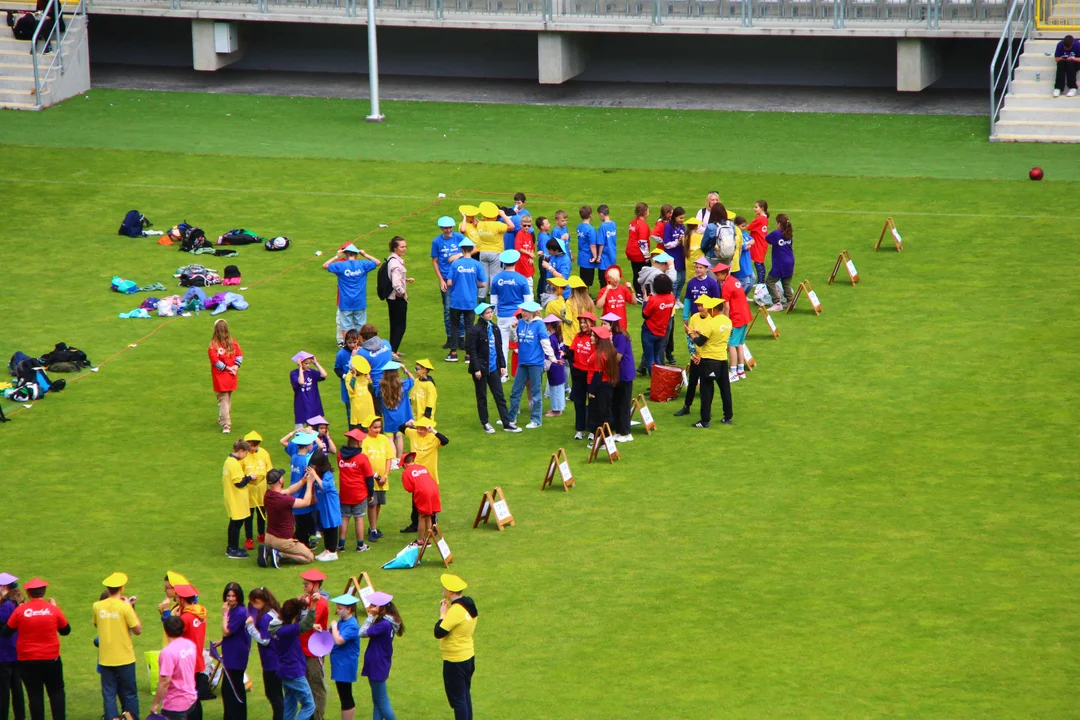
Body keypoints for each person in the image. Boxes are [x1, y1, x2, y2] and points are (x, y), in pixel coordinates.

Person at [2, 579, 68, 720]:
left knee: (35, 695)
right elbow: (65, 630)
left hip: (27, 660)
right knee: (56, 692)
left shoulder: (20, 610)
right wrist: (56, 608)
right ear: (44, 592)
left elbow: (6, 633)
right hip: (51, 659)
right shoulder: (52, 609)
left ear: (28, 592)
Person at [93, 572, 141, 720]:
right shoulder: (125, 607)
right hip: (125, 657)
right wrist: (130, 608)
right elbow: (138, 630)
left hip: (106, 657)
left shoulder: (97, 606)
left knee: (109, 694)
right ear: (122, 587)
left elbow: (96, 624)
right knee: (129, 693)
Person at [465, 304, 517, 434]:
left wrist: (502, 365)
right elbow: (472, 351)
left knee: (499, 395)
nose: (490, 314)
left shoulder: (494, 328)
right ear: (482, 315)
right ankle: (485, 422)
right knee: (482, 396)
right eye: (487, 313)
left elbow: (499, 348)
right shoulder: (475, 330)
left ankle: (506, 422)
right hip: (481, 369)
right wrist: (477, 369)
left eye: (491, 312)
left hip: (493, 368)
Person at [434, 574, 478, 720]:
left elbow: (439, 632)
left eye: (445, 587)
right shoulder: (468, 604)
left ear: (450, 591)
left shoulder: (456, 611)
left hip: (455, 660)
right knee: (465, 695)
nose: (443, 589)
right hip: (468, 656)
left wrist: (442, 615)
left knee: (458, 700)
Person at [507, 301, 555, 429]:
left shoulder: (539, 325)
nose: (523, 313)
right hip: (522, 362)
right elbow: (514, 340)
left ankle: (536, 420)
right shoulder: (521, 323)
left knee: (536, 393)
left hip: (535, 363)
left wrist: (552, 357)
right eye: (523, 311)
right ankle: (511, 418)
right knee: (515, 391)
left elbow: (545, 342)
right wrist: (512, 329)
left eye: (526, 311)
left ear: (533, 312)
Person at [686, 296, 733, 428]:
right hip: (723, 359)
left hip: (709, 360)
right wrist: (701, 333)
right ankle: (728, 416)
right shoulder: (727, 321)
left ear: (713, 309)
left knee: (706, 391)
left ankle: (705, 420)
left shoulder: (710, 323)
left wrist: (691, 334)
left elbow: (700, 342)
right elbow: (716, 335)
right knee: (725, 389)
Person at [323, 243, 381, 343]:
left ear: (345, 254)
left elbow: (325, 265)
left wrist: (337, 256)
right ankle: (362, 347)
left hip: (345, 302)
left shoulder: (341, 265)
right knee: (361, 328)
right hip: (360, 302)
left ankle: (348, 348)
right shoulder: (363, 264)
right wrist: (365, 254)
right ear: (356, 254)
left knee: (346, 328)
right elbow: (377, 262)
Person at [399, 418, 449, 534]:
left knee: (431, 505)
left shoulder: (434, 438)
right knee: (415, 502)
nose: (419, 431)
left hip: (430, 476)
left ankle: (433, 527)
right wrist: (407, 423)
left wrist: (434, 431)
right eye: (418, 428)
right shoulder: (413, 433)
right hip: (416, 476)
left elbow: (445, 441)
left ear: (428, 429)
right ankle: (415, 524)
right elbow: (401, 429)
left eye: (422, 429)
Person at [269, 598, 315, 720]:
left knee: (290, 705)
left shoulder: (277, 627)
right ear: (294, 616)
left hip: (283, 671)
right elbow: (306, 624)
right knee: (309, 705)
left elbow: (301, 624)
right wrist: (313, 604)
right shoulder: (287, 630)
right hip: (294, 671)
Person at [359, 592, 402, 720]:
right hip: (381, 662)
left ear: (380, 607)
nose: (370, 606)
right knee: (377, 701)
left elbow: (362, 633)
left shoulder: (383, 624)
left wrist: (370, 616)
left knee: (382, 701)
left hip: (376, 663)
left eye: (373, 605)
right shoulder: (387, 621)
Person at [444, 239, 487, 363]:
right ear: (472, 249)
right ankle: (469, 355)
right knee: (469, 328)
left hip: (456, 301)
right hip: (470, 301)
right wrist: (474, 285)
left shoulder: (455, 264)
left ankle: (453, 353)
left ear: (462, 249)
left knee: (454, 326)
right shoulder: (477, 264)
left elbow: (449, 282)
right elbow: (483, 284)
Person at [263, 467, 317, 565]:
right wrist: (309, 484)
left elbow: (288, 491)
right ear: (280, 480)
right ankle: (279, 554)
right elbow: (306, 502)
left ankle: (269, 550)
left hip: (269, 537)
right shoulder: (283, 500)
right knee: (309, 557)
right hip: (283, 541)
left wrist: (304, 480)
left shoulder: (268, 494)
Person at [245, 587, 284, 720]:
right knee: (277, 693)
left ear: (257, 601)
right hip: (277, 658)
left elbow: (265, 639)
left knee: (273, 694)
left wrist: (250, 627)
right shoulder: (273, 612)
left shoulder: (265, 618)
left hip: (271, 662)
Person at [489, 249, 533, 368]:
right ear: (516, 261)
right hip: (518, 317)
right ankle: (524, 372)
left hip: (502, 316)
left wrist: (497, 313)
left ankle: (503, 373)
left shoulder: (497, 278)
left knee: (502, 345)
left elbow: (493, 300)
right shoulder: (522, 279)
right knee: (522, 344)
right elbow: (528, 301)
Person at [171, 583, 209, 720]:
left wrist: (170, 616)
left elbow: (174, 634)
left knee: (188, 698)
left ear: (182, 600)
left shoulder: (185, 618)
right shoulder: (201, 612)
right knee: (195, 696)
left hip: (186, 663)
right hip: (198, 660)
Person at [151, 615, 197, 720]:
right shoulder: (190, 645)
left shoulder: (168, 652)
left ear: (165, 631)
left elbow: (164, 682)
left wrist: (155, 704)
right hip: (191, 697)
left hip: (175, 703)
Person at [430, 216, 465, 350]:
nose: (448, 230)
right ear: (441, 229)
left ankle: (461, 338)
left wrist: (459, 255)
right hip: (445, 279)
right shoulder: (436, 241)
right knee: (447, 310)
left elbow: (473, 248)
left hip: (459, 278)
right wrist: (440, 280)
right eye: (446, 228)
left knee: (461, 308)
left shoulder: (459, 238)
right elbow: (435, 261)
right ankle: (450, 337)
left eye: (450, 227)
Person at [298, 570, 330, 720]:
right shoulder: (307, 600)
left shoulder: (320, 603)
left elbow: (308, 623)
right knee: (306, 686)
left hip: (314, 651)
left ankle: (317, 717)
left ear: (316, 585)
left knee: (316, 686)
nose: (304, 586)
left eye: (307, 584)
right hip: (303, 648)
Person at [337, 428, 373, 553]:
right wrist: (371, 493)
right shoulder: (362, 458)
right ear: (357, 443)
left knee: (344, 517)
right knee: (359, 518)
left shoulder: (340, 455)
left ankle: (340, 545)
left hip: (345, 493)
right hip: (359, 493)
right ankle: (360, 545)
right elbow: (369, 477)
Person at [714, 262, 752, 383]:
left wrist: (726, 321)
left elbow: (726, 305)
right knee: (740, 344)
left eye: (717, 275)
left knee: (731, 345)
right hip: (745, 316)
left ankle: (733, 371)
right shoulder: (734, 280)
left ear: (724, 274)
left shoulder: (726, 285)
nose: (716, 277)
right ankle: (741, 370)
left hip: (736, 318)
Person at [281, 430, 319, 548]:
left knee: (300, 521)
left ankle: (301, 539)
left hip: (294, 493)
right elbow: (309, 479)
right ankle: (302, 544)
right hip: (303, 493)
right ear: (308, 446)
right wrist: (312, 494)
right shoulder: (307, 461)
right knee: (306, 520)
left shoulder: (294, 457)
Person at [360, 416, 396, 542]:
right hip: (370, 479)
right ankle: (373, 530)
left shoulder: (384, 439)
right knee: (372, 504)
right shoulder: (364, 441)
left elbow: (389, 458)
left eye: (379, 427)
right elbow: (364, 462)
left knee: (378, 503)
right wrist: (375, 476)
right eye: (375, 427)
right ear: (368, 427)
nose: (377, 430)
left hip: (382, 480)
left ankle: (372, 526)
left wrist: (385, 475)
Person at [602, 314, 636, 442]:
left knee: (623, 404)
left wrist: (609, 345)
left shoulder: (620, 337)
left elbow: (618, 357)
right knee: (616, 403)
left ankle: (626, 432)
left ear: (611, 325)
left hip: (624, 375)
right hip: (617, 375)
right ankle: (619, 430)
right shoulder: (614, 336)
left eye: (605, 324)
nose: (603, 326)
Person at [219, 582, 249, 720]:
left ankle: (234, 716)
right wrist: (221, 642)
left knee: (231, 689)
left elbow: (227, 631)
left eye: (233, 596)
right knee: (232, 688)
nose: (230, 599)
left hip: (236, 656)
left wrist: (224, 614)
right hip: (232, 652)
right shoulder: (234, 609)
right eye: (228, 595)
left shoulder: (240, 612)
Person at [328, 594, 362, 720]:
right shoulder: (342, 622)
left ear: (349, 609)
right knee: (344, 695)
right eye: (337, 608)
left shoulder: (352, 625)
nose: (337, 610)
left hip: (345, 665)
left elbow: (339, 641)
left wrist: (333, 627)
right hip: (340, 664)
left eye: (340, 608)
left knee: (345, 696)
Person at [565, 311, 597, 440]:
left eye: (585, 322)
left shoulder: (595, 337)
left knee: (593, 402)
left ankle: (592, 430)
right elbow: (571, 351)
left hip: (591, 373)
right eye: (581, 322)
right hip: (578, 373)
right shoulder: (578, 336)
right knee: (579, 401)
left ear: (592, 323)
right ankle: (580, 429)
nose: (583, 325)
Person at [208, 319, 243, 434]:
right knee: (227, 398)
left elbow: (215, 361)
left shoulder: (213, 345)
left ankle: (226, 424)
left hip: (220, 377)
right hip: (232, 375)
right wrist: (235, 368)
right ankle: (223, 418)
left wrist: (228, 368)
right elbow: (239, 356)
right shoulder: (233, 342)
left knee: (223, 399)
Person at [474, 202, 515, 297]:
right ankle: (494, 297)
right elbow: (511, 226)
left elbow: (476, 222)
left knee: (484, 277)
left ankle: (481, 298)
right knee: (495, 276)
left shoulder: (480, 224)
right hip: (496, 253)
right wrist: (503, 215)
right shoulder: (497, 225)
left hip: (483, 252)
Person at [223, 439, 254, 560]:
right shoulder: (234, 464)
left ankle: (231, 547)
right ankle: (233, 550)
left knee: (233, 523)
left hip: (231, 496)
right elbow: (239, 483)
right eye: (246, 453)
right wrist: (249, 477)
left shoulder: (228, 461)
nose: (246, 456)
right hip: (236, 498)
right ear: (241, 451)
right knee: (237, 524)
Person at [639, 273, 676, 375]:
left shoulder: (653, 300)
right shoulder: (672, 298)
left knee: (650, 359)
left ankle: (655, 383)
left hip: (649, 331)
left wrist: (646, 301)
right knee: (657, 357)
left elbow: (645, 314)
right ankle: (660, 382)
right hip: (662, 331)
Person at [400, 455, 441, 545]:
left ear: (405, 464)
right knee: (429, 515)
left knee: (422, 516)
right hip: (434, 489)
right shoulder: (422, 467)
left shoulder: (407, 472)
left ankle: (420, 540)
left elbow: (409, 489)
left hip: (423, 492)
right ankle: (427, 539)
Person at [242, 431, 273, 550]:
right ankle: (249, 538)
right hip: (248, 491)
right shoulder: (243, 456)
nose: (253, 448)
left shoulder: (264, 453)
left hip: (262, 490)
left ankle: (261, 534)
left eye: (255, 445)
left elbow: (269, 470)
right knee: (248, 516)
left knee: (262, 514)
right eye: (250, 445)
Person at [309, 452, 342, 563]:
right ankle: (327, 549)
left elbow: (325, 487)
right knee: (326, 525)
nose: (313, 467)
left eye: (315, 465)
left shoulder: (328, 474)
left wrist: (315, 476)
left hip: (330, 503)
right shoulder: (319, 473)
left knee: (332, 525)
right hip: (323, 504)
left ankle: (332, 551)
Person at [0, 573, 25, 720]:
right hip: (16, 651)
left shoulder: (7, 605)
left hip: (4, 653)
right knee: (17, 688)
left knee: (3, 690)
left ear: (4, 587)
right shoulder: (17, 601)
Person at [586, 326, 619, 435]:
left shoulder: (599, 355)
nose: (590, 337)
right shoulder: (609, 351)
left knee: (600, 414)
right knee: (605, 412)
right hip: (607, 385)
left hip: (600, 387)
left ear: (598, 339)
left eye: (593, 336)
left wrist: (591, 391)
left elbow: (597, 375)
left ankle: (603, 440)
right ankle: (606, 438)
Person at [378, 362, 413, 460]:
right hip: (401, 416)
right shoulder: (403, 385)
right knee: (399, 436)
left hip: (389, 416)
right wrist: (405, 369)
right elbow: (412, 380)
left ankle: (392, 460)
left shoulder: (381, 386)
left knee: (389, 438)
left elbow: (376, 391)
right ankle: (398, 458)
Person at [385, 236, 412, 360]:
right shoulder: (396, 263)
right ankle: (393, 351)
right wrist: (403, 294)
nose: (404, 249)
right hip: (397, 298)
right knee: (400, 325)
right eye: (402, 247)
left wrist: (405, 279)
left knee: (395, 324)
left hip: (392, 298)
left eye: (405, 246)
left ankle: (392, 349)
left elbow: (395, 278)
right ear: (395, 248)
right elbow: (396, 283)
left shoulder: (392, 260)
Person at [355, 325, 393, 408]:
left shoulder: (362, 353)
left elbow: (356, 370)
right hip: (392, 383)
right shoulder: (386, 343)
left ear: (362, 337)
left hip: (376, 387)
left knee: (377, 417)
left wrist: (353, 356)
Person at [765, 214, 796, 311]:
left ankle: (777, 303)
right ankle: (790, 301)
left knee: (770, 281)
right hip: (790, 261)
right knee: (786, 283)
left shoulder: (776, 233)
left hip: (780, 262)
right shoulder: (789, 233)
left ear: (778, 223)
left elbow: (767, 239)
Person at [290, 352, 328, 430]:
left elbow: (324, 375)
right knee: (300, 426)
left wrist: (316, 363)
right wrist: (300, 369)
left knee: (316, 425)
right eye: (305, 363)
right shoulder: (294, 373)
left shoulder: (311, 372)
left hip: (313, 402)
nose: (308, 365)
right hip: (301, 403)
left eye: (309, 363)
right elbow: (301, 382)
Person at [542, 314, 567, 418]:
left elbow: (548, 352)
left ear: (549, 325)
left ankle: (556, 410)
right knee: (559, 387)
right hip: (560, 363)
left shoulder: (551, 338)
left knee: (555, 387)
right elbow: (563, 349)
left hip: (554, 364)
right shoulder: (559, 336)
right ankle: (558, 408)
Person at [334, 330, 360, 426]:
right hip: (348, 388)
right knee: (350, 414)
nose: (352, 345)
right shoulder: (341, 354)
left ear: (358, 340)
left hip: (362, 388)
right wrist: (345, 376)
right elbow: (337, 369)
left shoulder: (362, 351)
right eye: (349, 342)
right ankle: (352, 439)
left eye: (354, 342)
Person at [625, 202, 651, 298]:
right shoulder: (643, 225)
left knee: (636, 273)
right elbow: (642, 243)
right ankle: (642, 293)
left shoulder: (633, 222)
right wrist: (647, 256)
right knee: (645, 273)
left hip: (631, 251)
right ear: (644, 212)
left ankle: (638, 293)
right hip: (639, 254)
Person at [345, 356, 375, 431]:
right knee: (359, 429)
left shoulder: (365, 375)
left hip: (367, 405)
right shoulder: (349, 376)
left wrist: (369, 380)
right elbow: (351, 389)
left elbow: (372, 389)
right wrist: (354, 376)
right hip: (358, 406)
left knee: (369, 427)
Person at [539, 234, 571, 300]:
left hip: (561, 295)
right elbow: (551, 258)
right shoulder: (555, 255)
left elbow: (563, 278)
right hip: (553, 291)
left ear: (556, 250)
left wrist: (549, 268)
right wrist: (544, 256)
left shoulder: (565, 261)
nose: (548, 251)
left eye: (549, 250)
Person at [731, 215, 756, 293]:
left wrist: (747, 244)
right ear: (736, 226)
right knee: (745, 282)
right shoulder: (736, 235)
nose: (744, 228)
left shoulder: (744, 233)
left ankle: (743, 297)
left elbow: (753, 241)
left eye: (745, 226)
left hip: (747, 262)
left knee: (753, 279)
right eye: (742, 226)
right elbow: (743, 247)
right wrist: (747, 245)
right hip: (741, 262)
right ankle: (739, 298)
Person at [575, 205, 599, 287]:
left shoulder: (579, 226)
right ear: (590, 215)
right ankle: (585, 297)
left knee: (583, 279)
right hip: (588, 258)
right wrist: (595, 256)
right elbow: (592, 245)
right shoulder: (590, 229)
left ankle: (584, 296)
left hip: (581, 256)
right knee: (587, 281)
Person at [748, 200, 770, 286]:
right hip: (762, 243)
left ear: (762, 208)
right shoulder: (764, 218)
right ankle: (761, 282)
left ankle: (761, 283)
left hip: (758, 244)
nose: (754, 209)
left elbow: (749, 227)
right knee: (760, 262)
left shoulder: (760, 219)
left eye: (756, 207)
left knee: (758, 263)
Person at [512, 214, 536, 281]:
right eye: (524, 225)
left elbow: (532, 247)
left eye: (529, 226)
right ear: (520, 225)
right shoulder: (519, 234)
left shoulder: (529, 235)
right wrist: (529, 254)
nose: (527, 227)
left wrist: (531, 256)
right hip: (521, 261)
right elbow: (518, 247)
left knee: (529, 279)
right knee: (525, 280)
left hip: (528, 261)